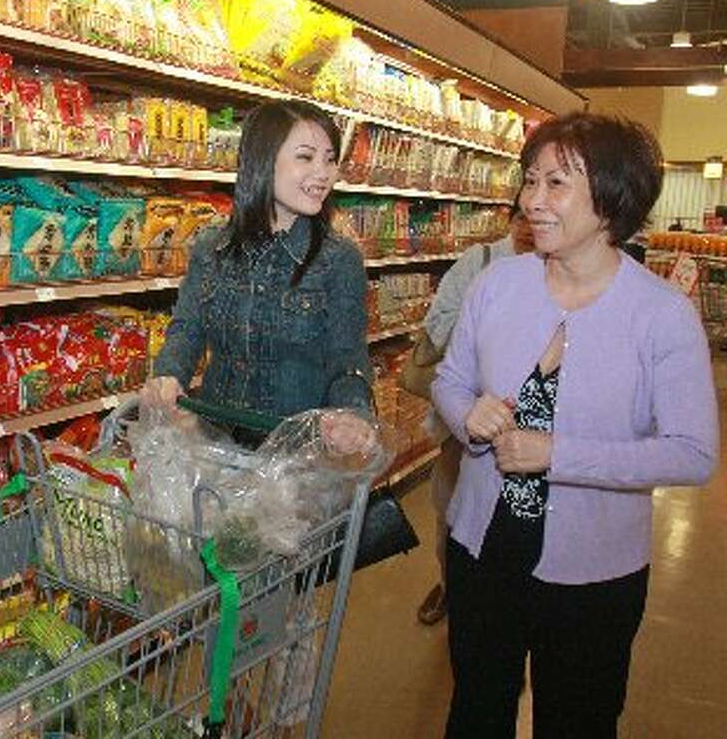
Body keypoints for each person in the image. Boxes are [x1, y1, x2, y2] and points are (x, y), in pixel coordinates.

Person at [432, 112, 718, 737]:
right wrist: (466, 415)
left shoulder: (662, 315)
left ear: (612, 197)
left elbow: (693, 453)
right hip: (483, 550)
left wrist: (558, 453)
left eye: (555, 183)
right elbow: (449, 382)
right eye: (529, 181)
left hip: (596, 573)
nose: (533, 201)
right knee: (477, 709)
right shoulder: (496, 285)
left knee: (578, 720)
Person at [143, 98, 375, 453]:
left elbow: (347, 358)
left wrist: (353, 414)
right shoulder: (212, 248)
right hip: (213, 446)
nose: (324, 172)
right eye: (305, 156)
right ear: (263, 161)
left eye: (330, 159)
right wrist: (169, 375)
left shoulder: (339, 259)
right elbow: (187, 329)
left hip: (295, 460)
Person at [415, 208, 535, 626]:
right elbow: (438, 320)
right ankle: (451, 585)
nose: (530, 226)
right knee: (451, 507)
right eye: (522, 216)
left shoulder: (562, 270)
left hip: (533, 429)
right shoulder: (481, 261)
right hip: (465, 417)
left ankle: (507, 606)